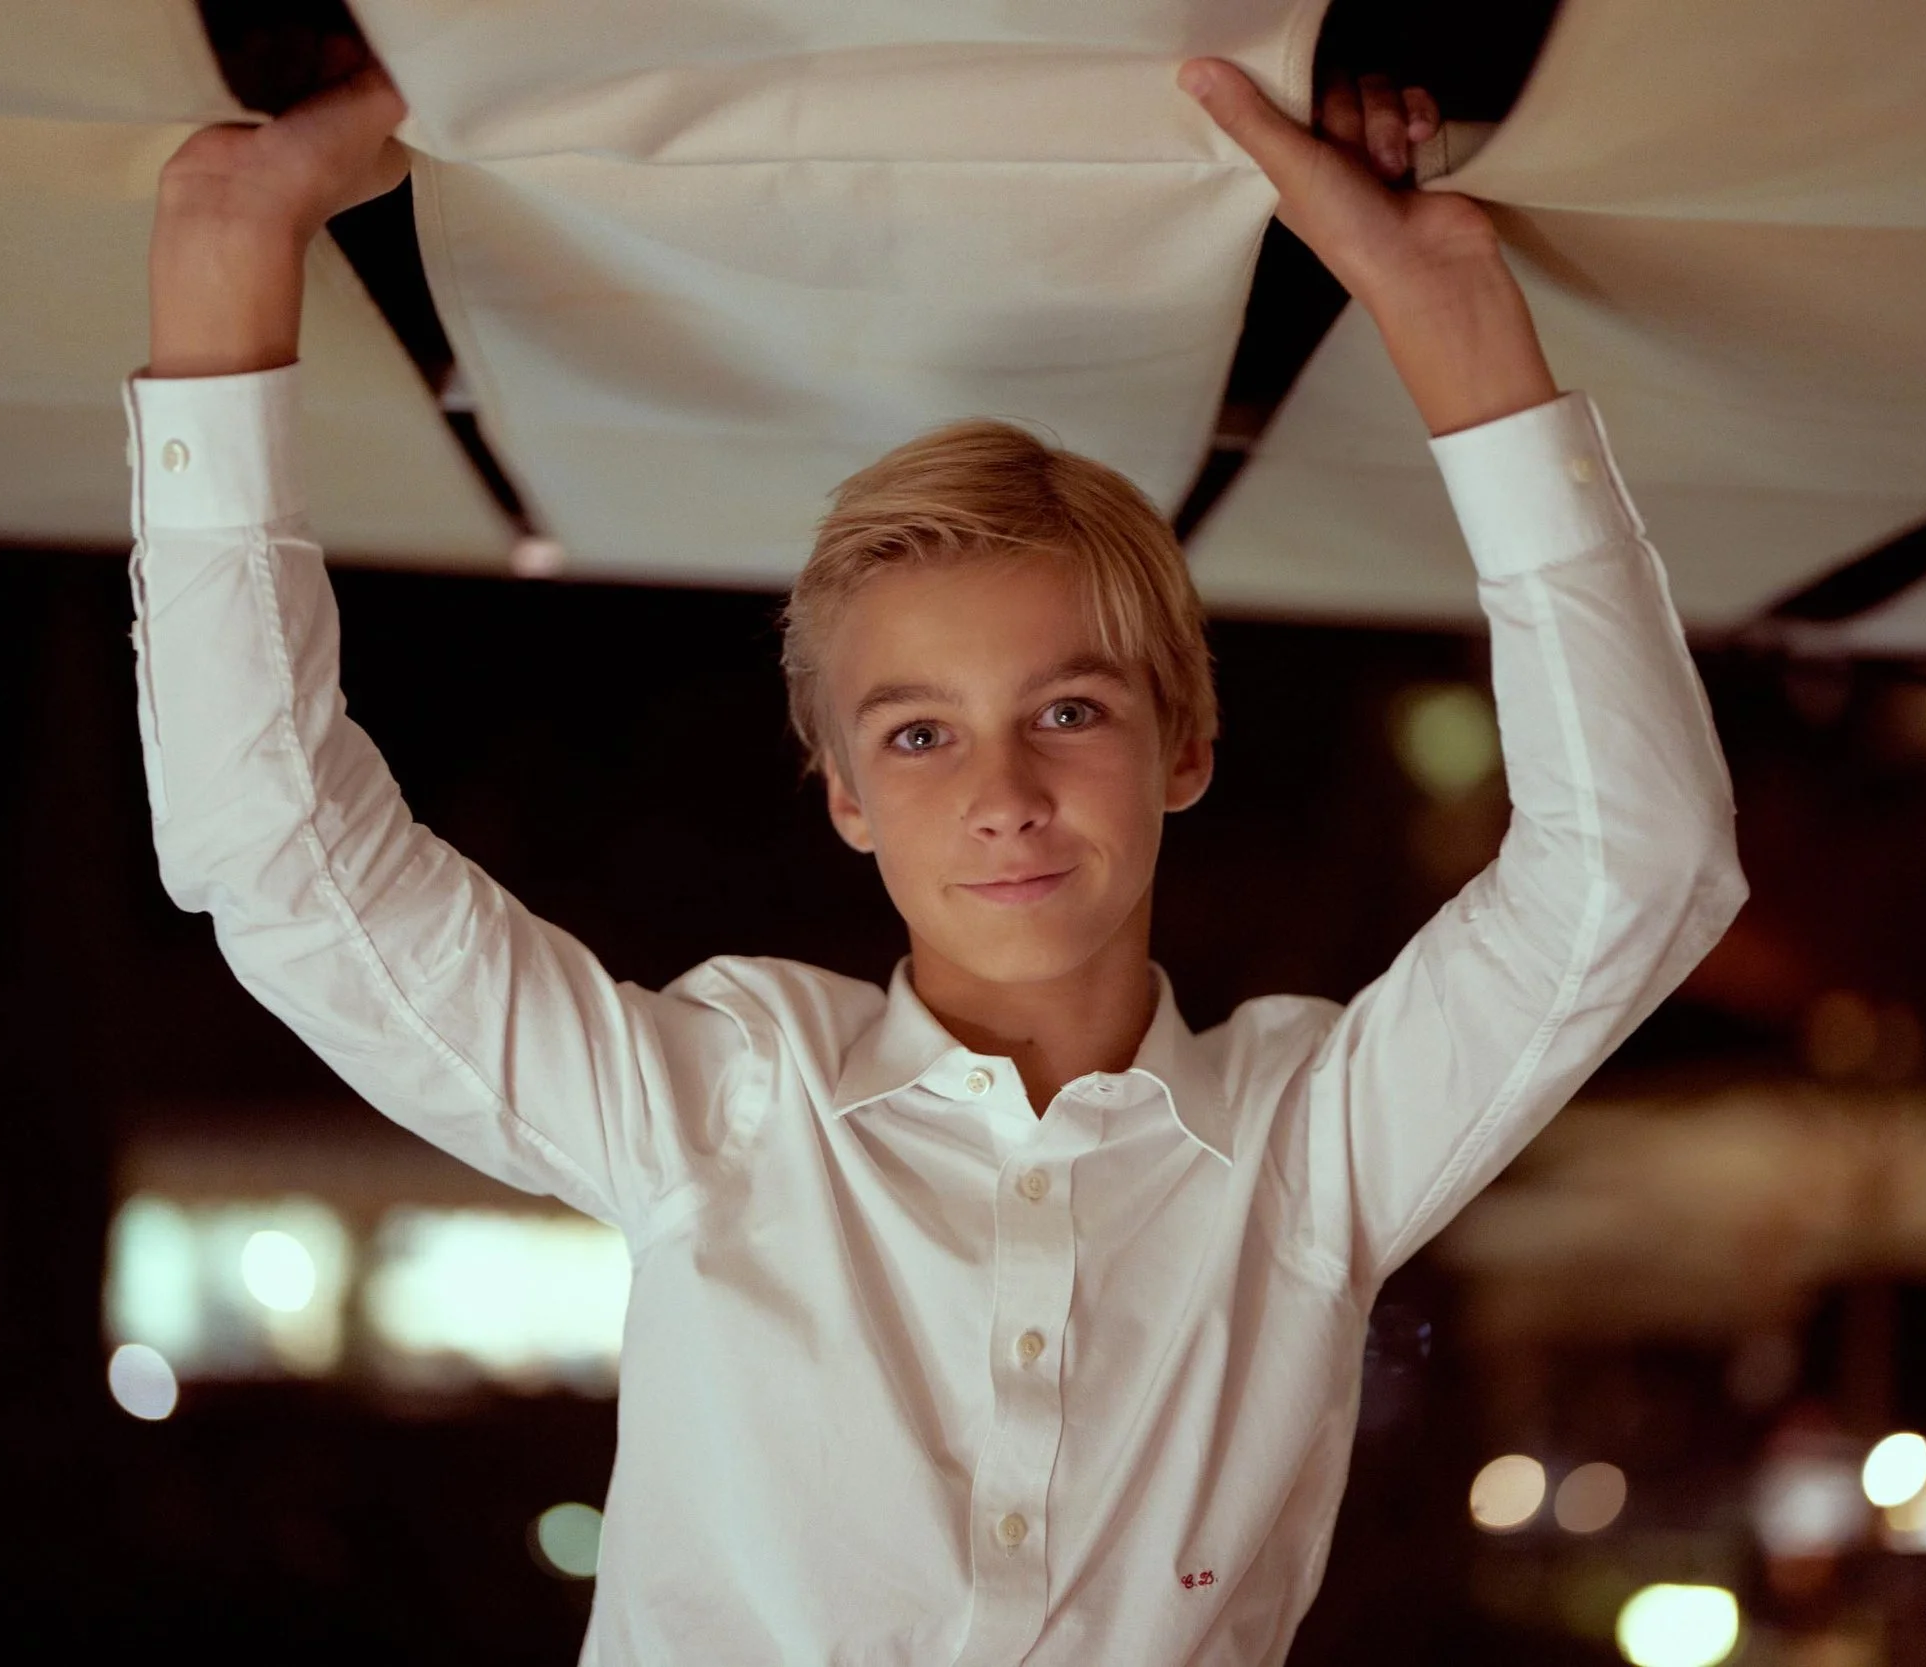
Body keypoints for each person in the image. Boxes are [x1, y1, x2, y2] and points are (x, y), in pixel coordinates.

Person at [130, 48, 1745, 1667]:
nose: (1003, 794)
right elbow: (280, 854)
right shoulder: (725, 1103)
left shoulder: (1308, 1145)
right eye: (919, 735)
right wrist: (228, 237)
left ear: (1186, 744)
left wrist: (1444, 303)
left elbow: (1641, 862)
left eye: (1068, 711)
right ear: (843, 794)